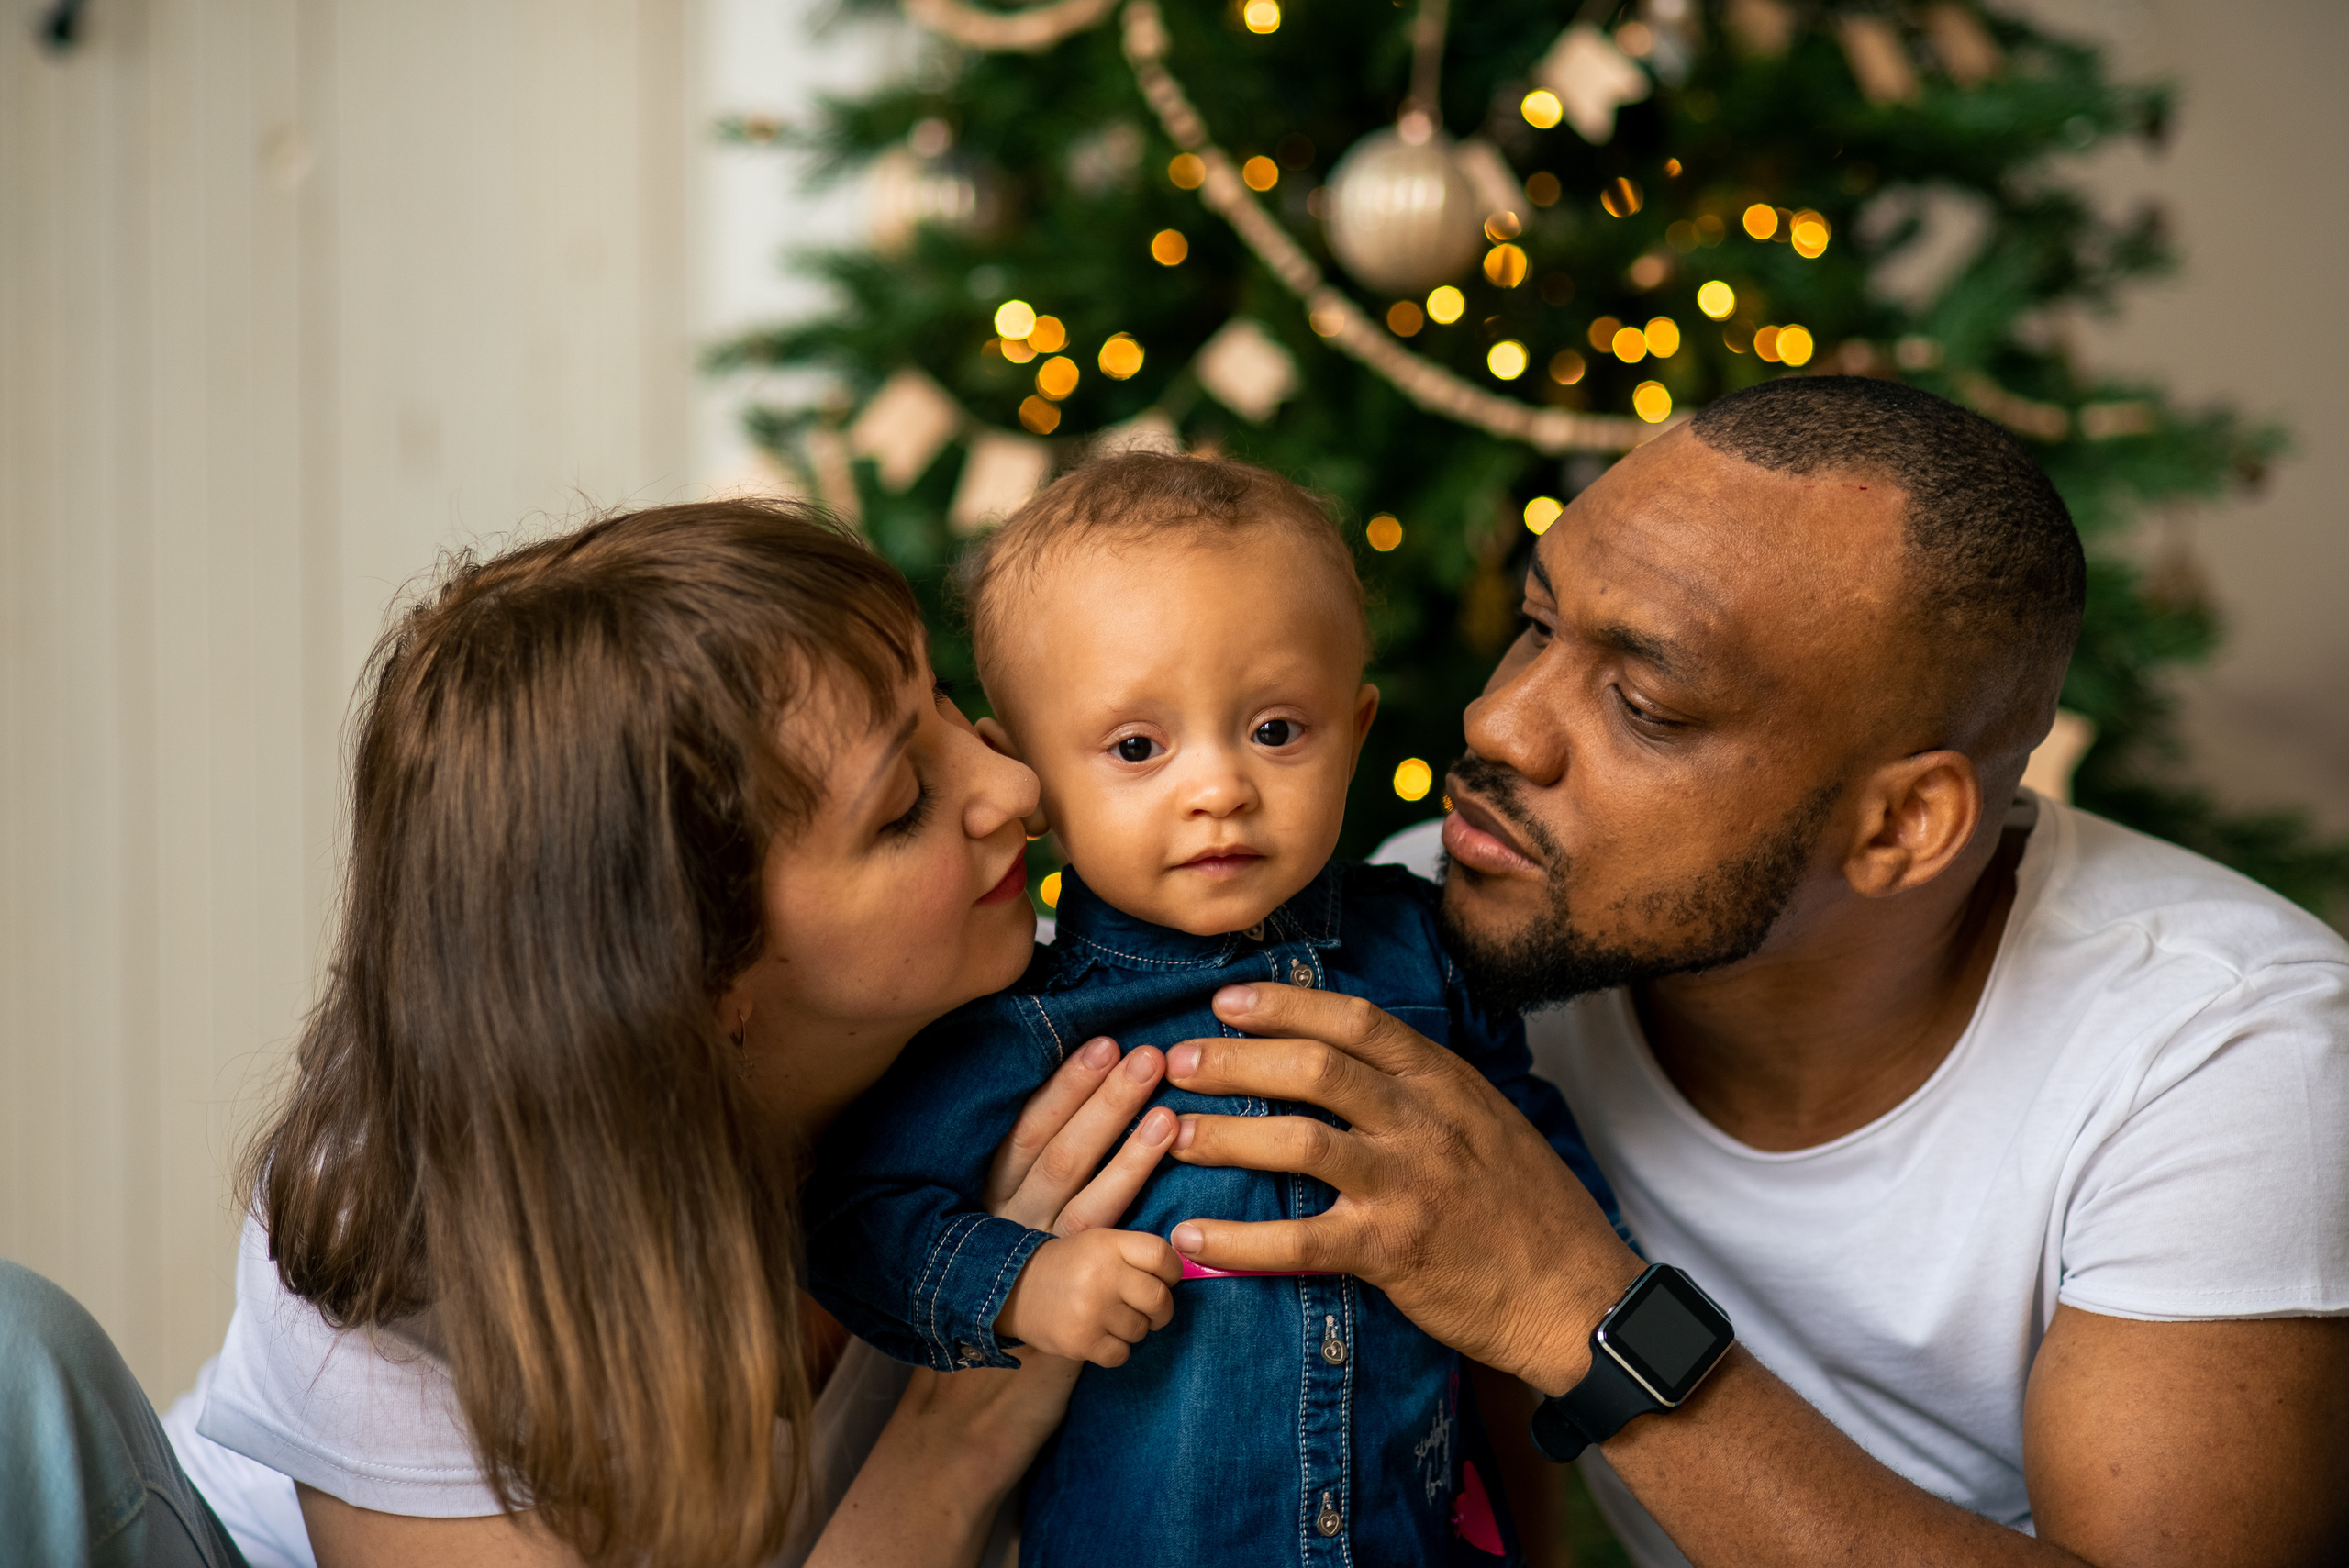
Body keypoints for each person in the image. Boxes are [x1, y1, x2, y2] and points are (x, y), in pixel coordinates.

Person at [1151, 378, 2349, 1565]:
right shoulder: (1449, 923)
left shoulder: (2225, 1056)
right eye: (1536, 621)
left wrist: (1574, 1305)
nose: (1498, 723)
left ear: (1899, 828)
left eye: (1644, 703)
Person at [1, 498, 1186, 1568]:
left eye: (940, 706)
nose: (1015, 787)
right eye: (904, 809)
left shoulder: (1032, 1035)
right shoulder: (402, 1249)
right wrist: (959, 1435)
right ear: (699, 981)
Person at [802, 454, 1621, 1565]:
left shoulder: (1424, 947)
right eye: (1138, 747)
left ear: (1358, 726)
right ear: (1029, 772)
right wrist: (1021, 1281)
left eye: (1277, 730)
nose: (1219, 788)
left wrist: (1592, 1310)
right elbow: (857, 1219)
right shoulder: (1028, 1023)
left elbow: (1527, 1152)